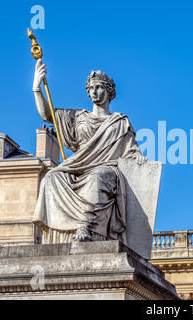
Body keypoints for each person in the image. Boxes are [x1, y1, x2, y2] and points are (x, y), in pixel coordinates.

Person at [32, 59, 146, 243]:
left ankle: (86, 226)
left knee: (97, 177)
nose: (94, 91)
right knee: (51, 178)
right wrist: (37, 88)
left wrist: (139, 159)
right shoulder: (77, 117)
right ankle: (56, 235)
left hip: (105, 168)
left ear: (109, 92)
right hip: (78, 166)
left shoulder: (119, 122)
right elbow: (47, 115)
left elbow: (131, 151)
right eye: (91, 88)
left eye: (99, 87)